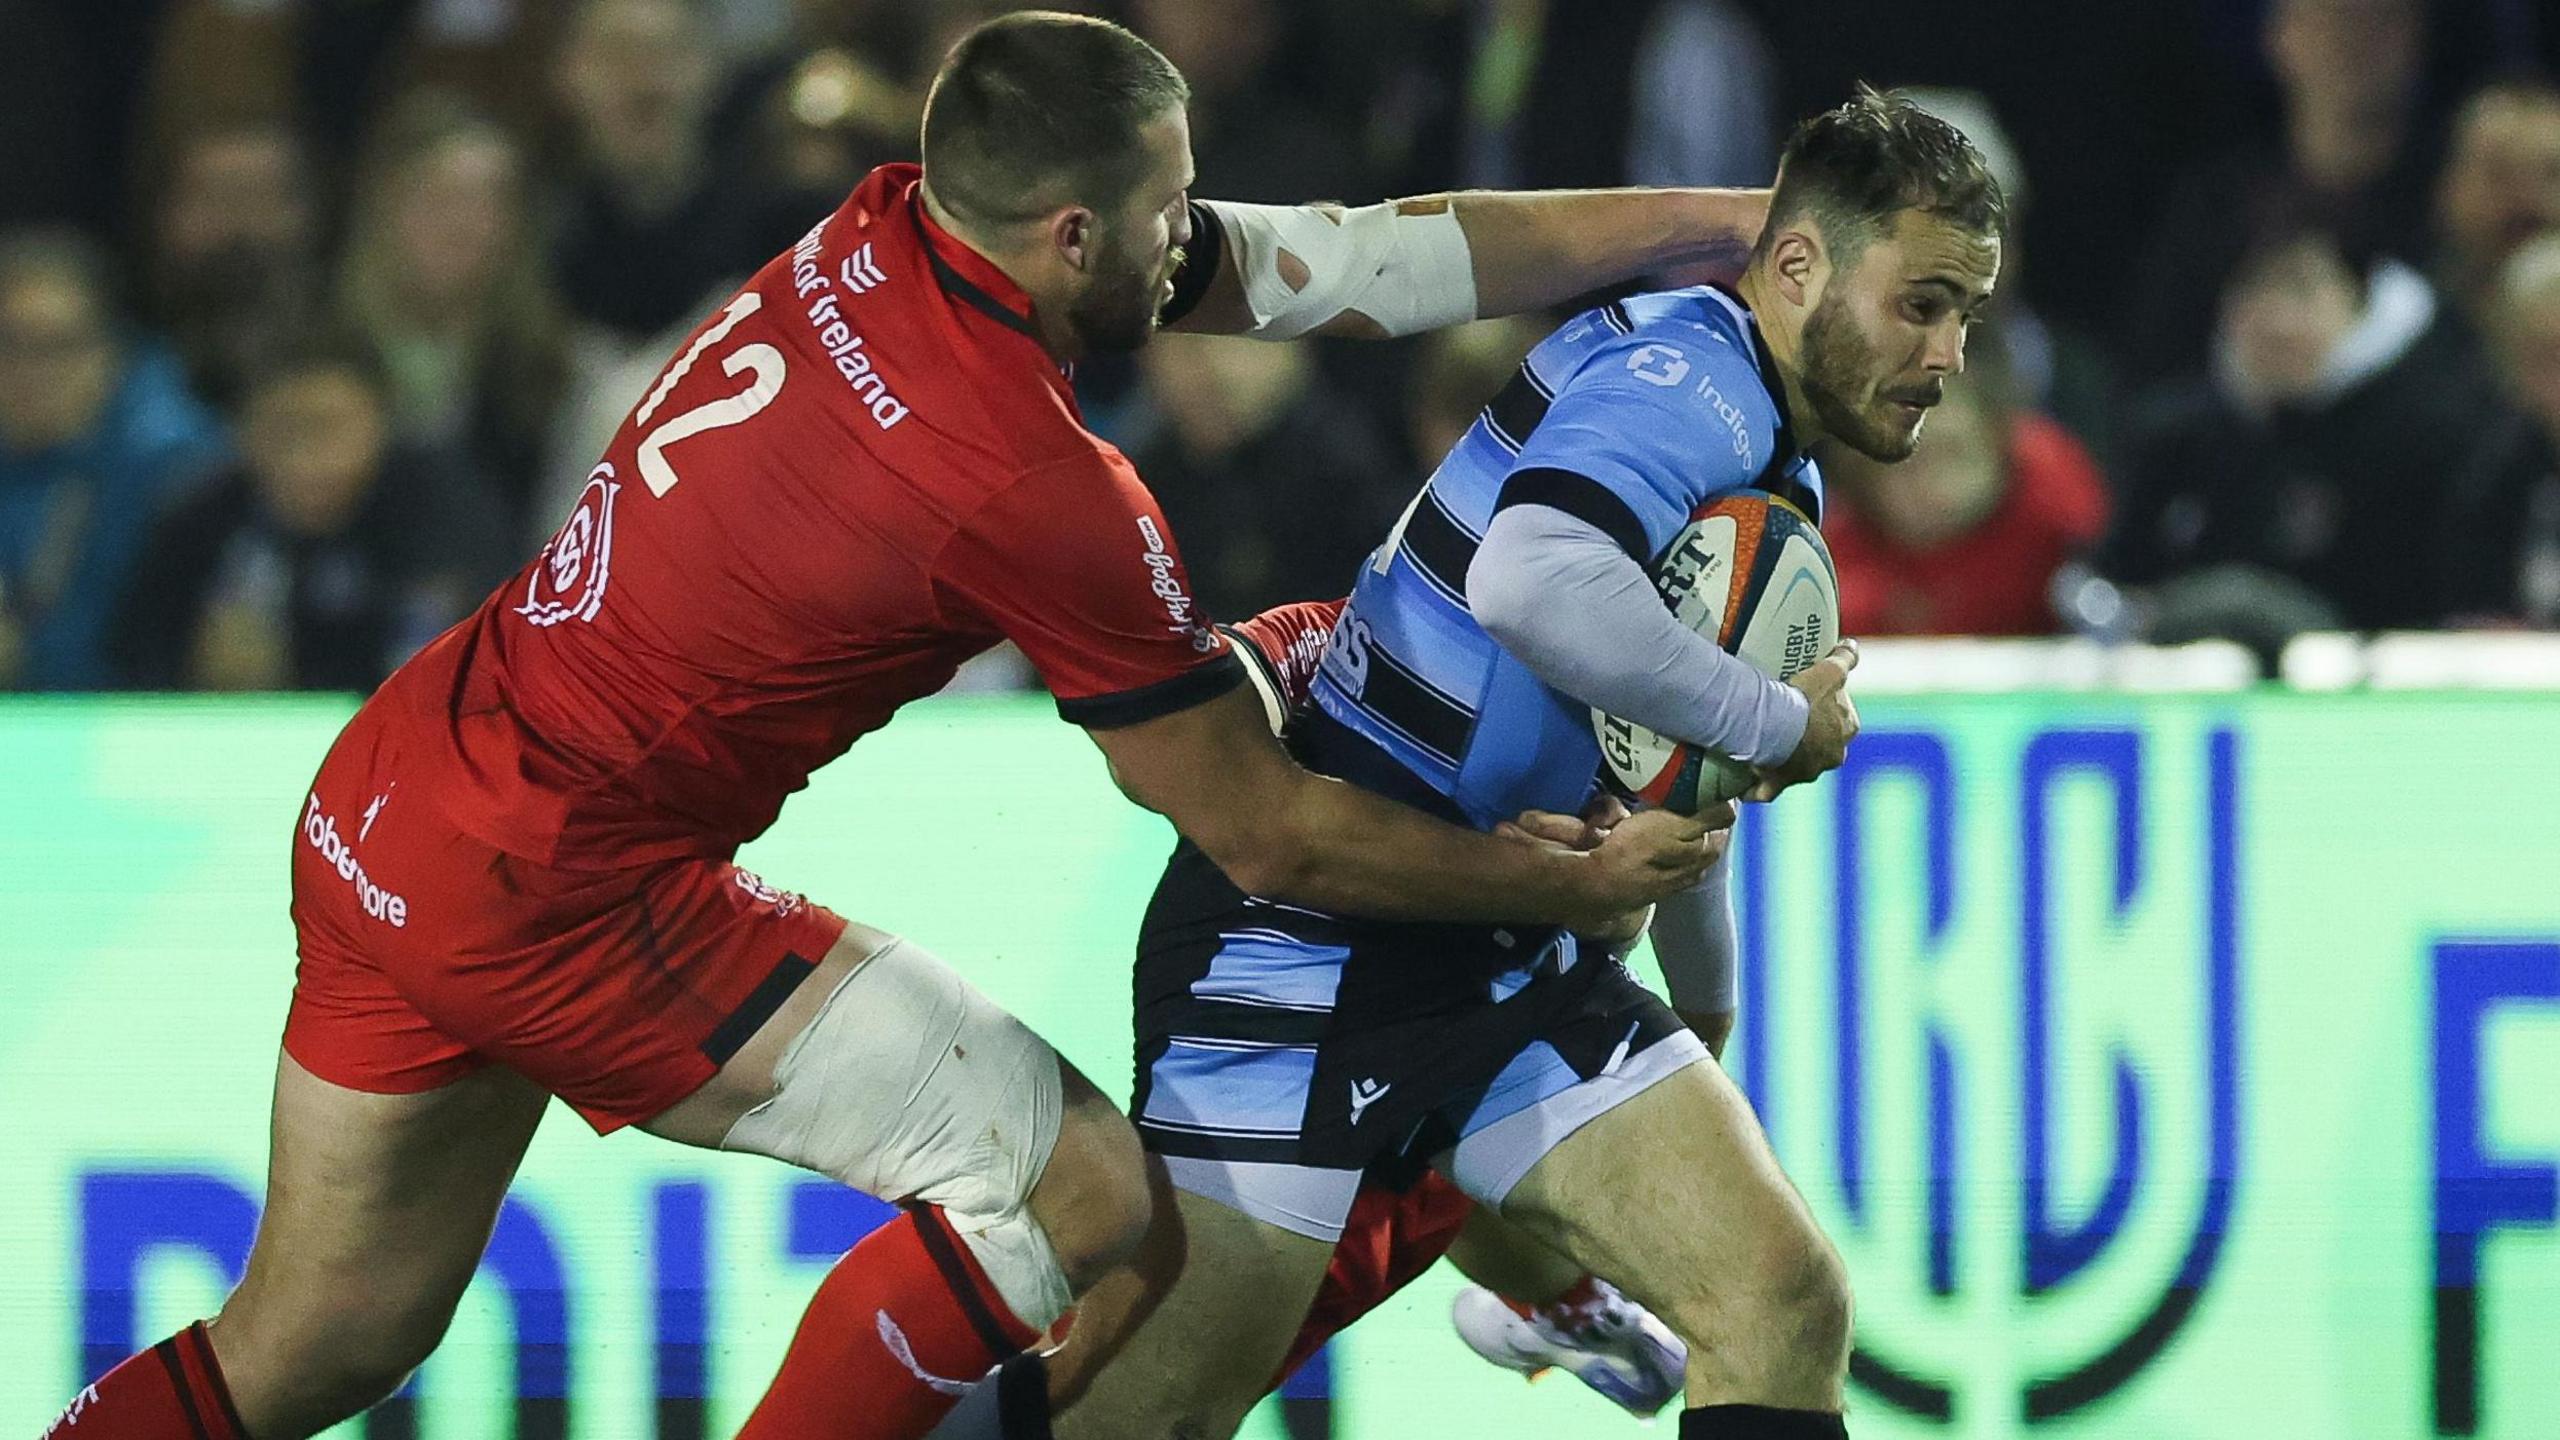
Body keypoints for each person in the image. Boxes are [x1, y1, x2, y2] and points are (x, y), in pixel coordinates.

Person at [48, 13, 1779, 1439]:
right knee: (1078, 1201)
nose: (1205, 235)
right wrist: (1558, 889)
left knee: (319, 1347)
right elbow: (1268, 833)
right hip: (564, 885)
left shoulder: (888, 222)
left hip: (393, 794)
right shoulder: (1036, 484)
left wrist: (1728, 221)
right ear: (1075, 237)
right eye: (1176, 208)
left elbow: (1364, 264)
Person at [968, 87, 1994, 1440]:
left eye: (1966, 312)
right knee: (1140, 1415)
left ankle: (1539, 1284)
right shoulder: (1691, 383)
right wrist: (1775, 720)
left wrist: (1704, 1009)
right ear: (1796, 267)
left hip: (1510, 946)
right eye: (1922, 301)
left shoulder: (1766, 454)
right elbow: (1534, 577)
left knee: (1780, 1298)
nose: (1951, 351)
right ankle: (1536, 1285)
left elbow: (1665, 758)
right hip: (1317, 942)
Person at [109, 330, 514, 692]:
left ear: (381, 425)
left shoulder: (441, 510)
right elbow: (138, 664)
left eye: (330, 427)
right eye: (286, 430)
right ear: (244, 434)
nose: (307, 457)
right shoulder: (199, 522)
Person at [0, 228, 227, 692]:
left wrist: (32, 660)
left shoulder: (179, 475)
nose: (31, 372)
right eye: (10, 344)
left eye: (59, 347)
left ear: (110, 350)